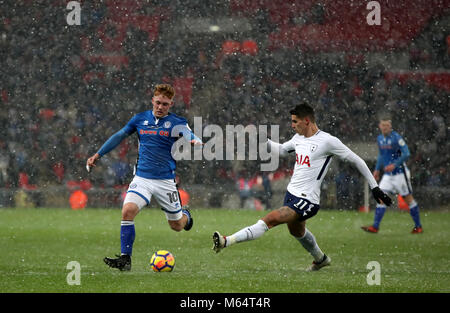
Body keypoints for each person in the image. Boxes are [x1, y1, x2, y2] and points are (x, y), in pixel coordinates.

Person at [212, 103, 392, 271]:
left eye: (294, 121)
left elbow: (357, 160)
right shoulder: (298, 138)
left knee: (271, 219)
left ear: (307, 121)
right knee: (297, 231)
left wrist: (375, 187)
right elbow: (282, 150)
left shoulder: (328, 141)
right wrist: (261, 139)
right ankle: (321, 259)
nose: (292, 125)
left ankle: (226, 241)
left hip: (308, 200)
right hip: (291, 194)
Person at [86, 84, 202, 271]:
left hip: (165, 182)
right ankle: (125, 259)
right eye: (158, 102)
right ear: (152, 101)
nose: (160, 107)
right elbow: (119, 136)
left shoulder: (176, 122)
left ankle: (186, 216)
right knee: (128, 211)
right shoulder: (140, 119)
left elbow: (187, 132)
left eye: (165, 104)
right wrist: (97, 155)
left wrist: (193, 139)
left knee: (177, 226)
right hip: (142, 179)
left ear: (170, 104)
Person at [361, 117, 423, 234]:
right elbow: (381, 155)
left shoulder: (396, 138)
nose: (385, 128)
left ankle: (418, 226)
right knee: (381, 197)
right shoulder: (380, 139)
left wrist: (395, 165)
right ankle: (375, 227)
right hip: (388, 175)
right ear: (380, 126)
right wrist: (377, 169)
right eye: (383, 125)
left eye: (387, 126)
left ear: (390, 126)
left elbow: (406, 153)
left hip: (400, 173)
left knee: (408, 199)